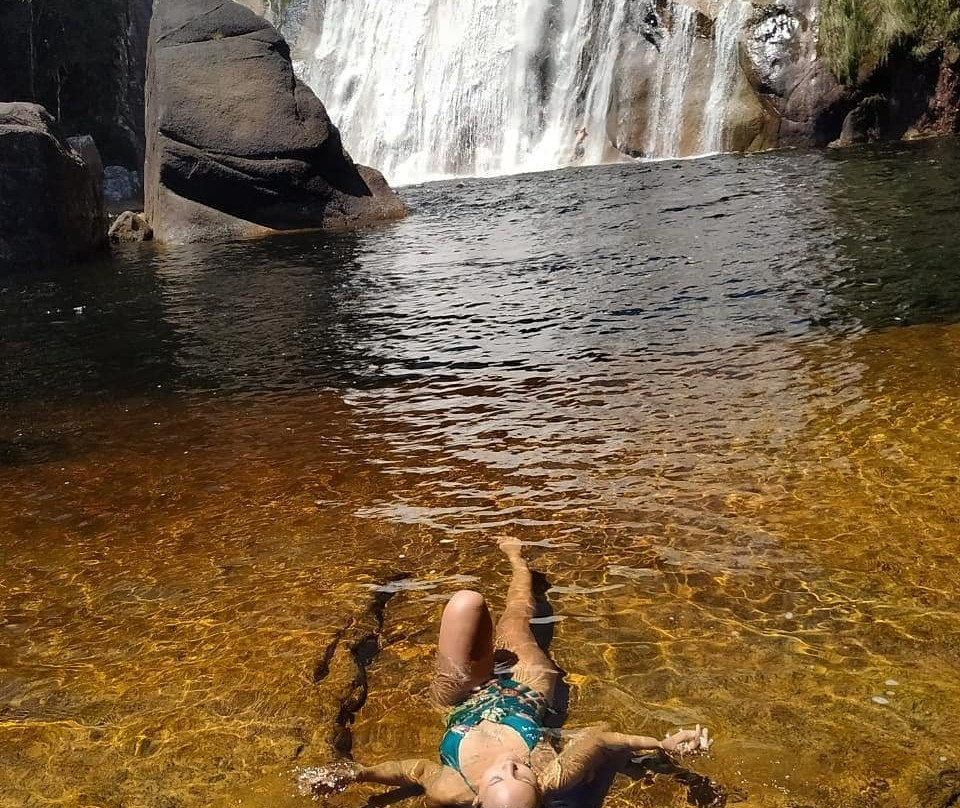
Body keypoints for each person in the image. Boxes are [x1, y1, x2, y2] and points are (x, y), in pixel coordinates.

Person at [300, 539, 710, 806]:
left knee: (467, 604)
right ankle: (519, 563)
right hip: (527, 688)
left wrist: (356, 774)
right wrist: (661, 744)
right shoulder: (553, 779)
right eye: (524, 776)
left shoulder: (454, 788)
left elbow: (413, 770)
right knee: (516, 618)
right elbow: (601, 738)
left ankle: (494, 586)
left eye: (502, 779)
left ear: (478, 800)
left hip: (461, 698)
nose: (514, 767)